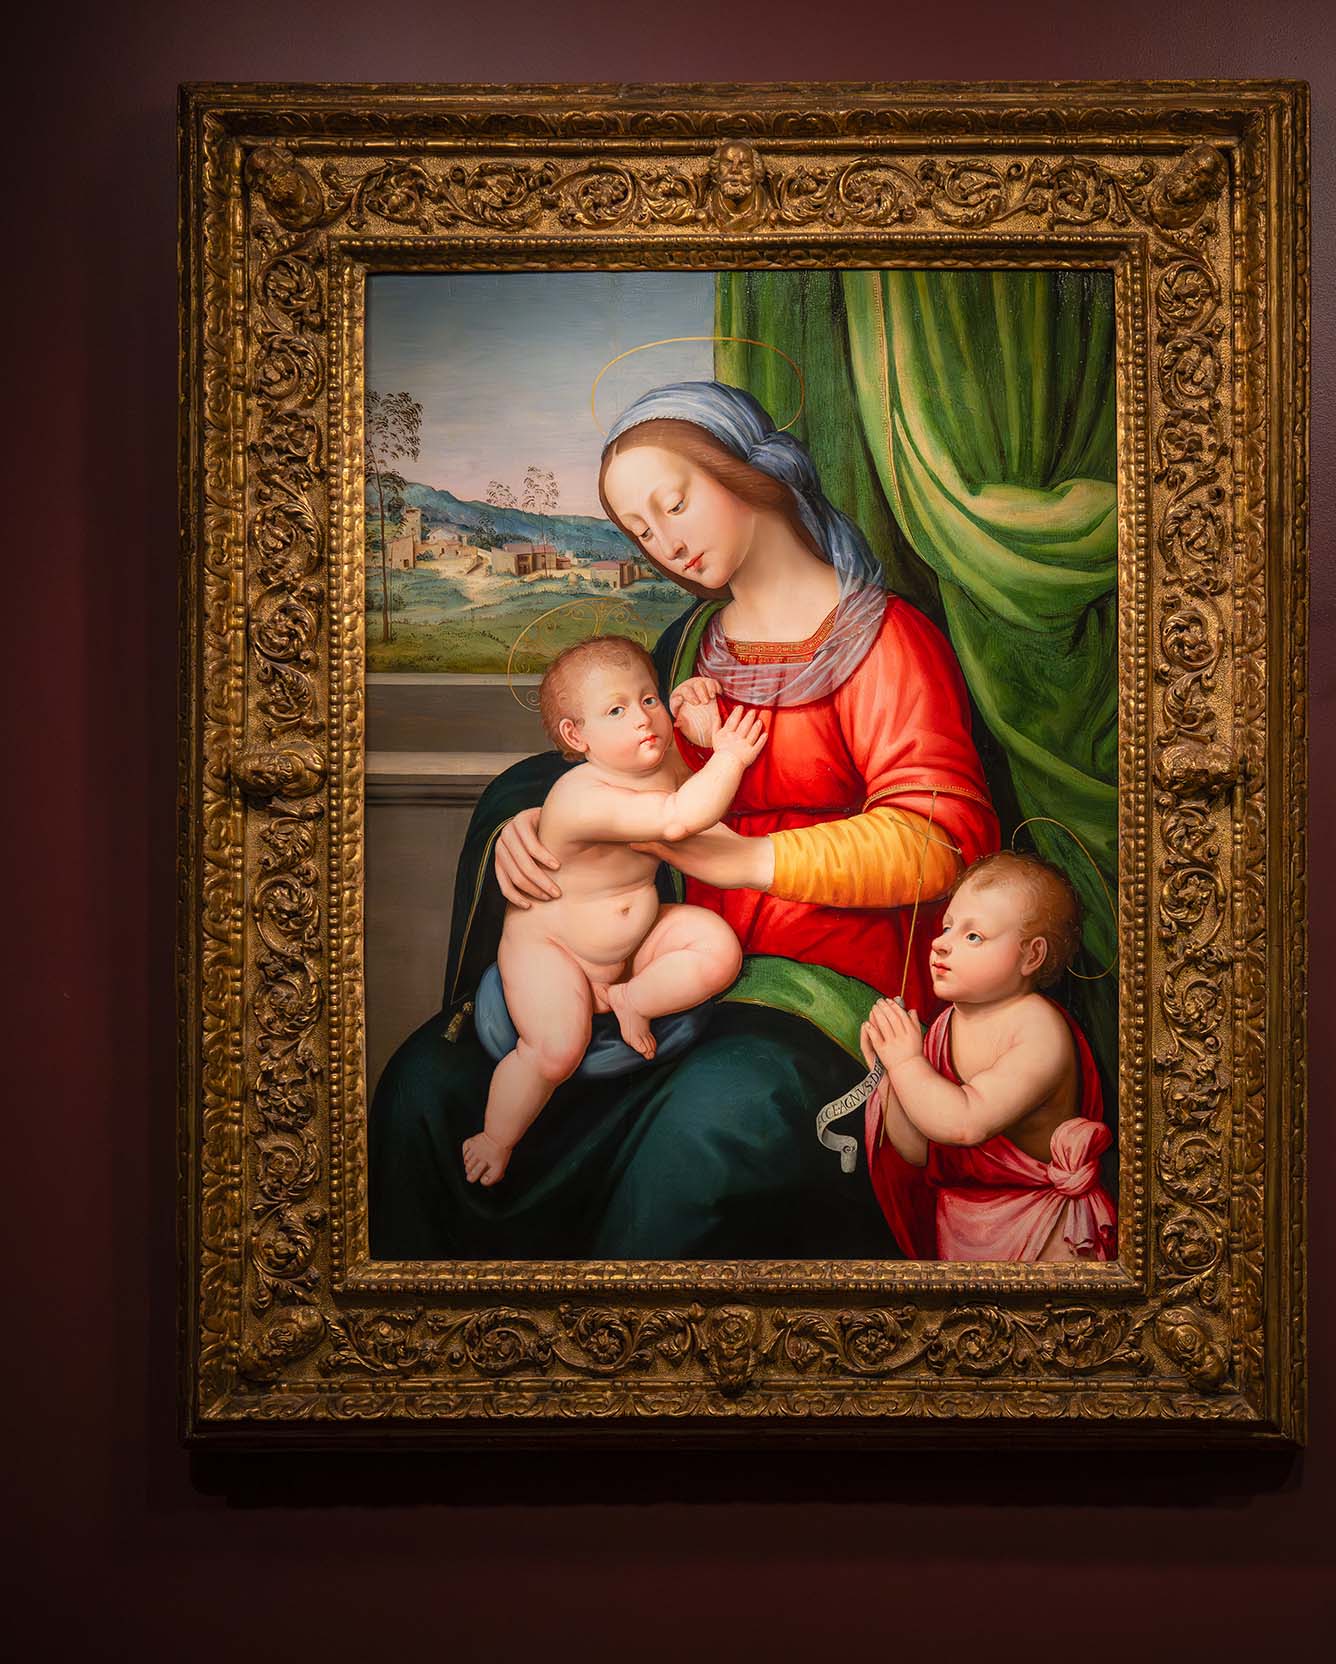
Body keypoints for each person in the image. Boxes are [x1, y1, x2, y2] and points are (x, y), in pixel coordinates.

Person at [368, 380, 999, 1260]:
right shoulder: (690, 643)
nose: (664, 542)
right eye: (639, 530)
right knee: (425, 1088)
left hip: (825, 991)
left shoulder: (885, 641)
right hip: (663, 952)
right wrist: (529, 827)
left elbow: (939, 844)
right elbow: (611, 780)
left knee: (703, 1132)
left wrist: (745, 864)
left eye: (674, 503)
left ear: (748, 472)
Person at [462, 636, 765, 1188]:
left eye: (649, 700)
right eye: (617, 710)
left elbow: (700, 785)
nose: (643, 720)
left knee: (717, 947)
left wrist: (700, 716)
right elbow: (679, 818)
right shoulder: (580, 797)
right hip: (557, 953)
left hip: (630, 948)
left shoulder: (657, 764)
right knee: (554, 1051)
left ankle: (632, 999)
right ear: (577, 736)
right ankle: (496, 1136)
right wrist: (730, 756)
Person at [857, 852, 1114, 1262]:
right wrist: (889, 1075)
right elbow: (919, 1151)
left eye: (973, 936)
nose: (941, 942)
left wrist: (907, 1064)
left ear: (1031, 956)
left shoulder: (1038, 1030)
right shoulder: (943, 1027)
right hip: (962, 1225)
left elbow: (964, 1124)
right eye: (947, 927)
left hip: (1040, 1231)